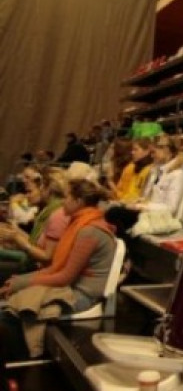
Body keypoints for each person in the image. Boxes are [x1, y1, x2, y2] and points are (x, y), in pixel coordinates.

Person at [0, 179, 116, 360]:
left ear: (78, 201)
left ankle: (22, 360)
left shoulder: (89, 230)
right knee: (11, 301)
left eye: (68, 197)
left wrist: (23, 282)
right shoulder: (80, 223)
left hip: (82, 294)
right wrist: (22, 281)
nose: (63, 201)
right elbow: (56, 268)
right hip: (72, 286)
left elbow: (64, 277)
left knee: (11, 313)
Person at [0, 166, 68, 282]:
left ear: (48, 189)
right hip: (33, 265)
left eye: (41, 186)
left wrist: (16, 237)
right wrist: (15, 233)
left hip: (37, 270)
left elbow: (46, 257)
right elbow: (35, 242)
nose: (40, 190)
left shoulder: (57, 214)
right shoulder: (48, 211)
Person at [108, 138, 153, 203]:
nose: (132, 152)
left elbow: (132, 196)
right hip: (124, 201)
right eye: (132, 149)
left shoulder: (149, 170)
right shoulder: (132, 166)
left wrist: (111, 183)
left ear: (147, 151)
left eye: (136, 149)